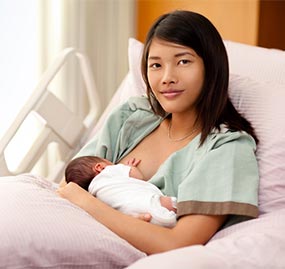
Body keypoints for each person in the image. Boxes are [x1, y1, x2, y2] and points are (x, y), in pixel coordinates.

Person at [57, 10, 259, 255]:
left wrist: (88, 203)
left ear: (211, 67)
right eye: (155, 65)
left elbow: (176, 243)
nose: (167, 78)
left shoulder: (226, 149)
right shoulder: (133, 115)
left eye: (183, 61)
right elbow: (69, 184)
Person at [65, 156, 177, 227]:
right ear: (99, 167)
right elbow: (138, 176)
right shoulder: (109, 171)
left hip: (135, 219)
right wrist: (130, 167)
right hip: (149, 202)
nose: (113, 164)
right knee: (176, 205)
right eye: (108, 162)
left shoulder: (95, 197)